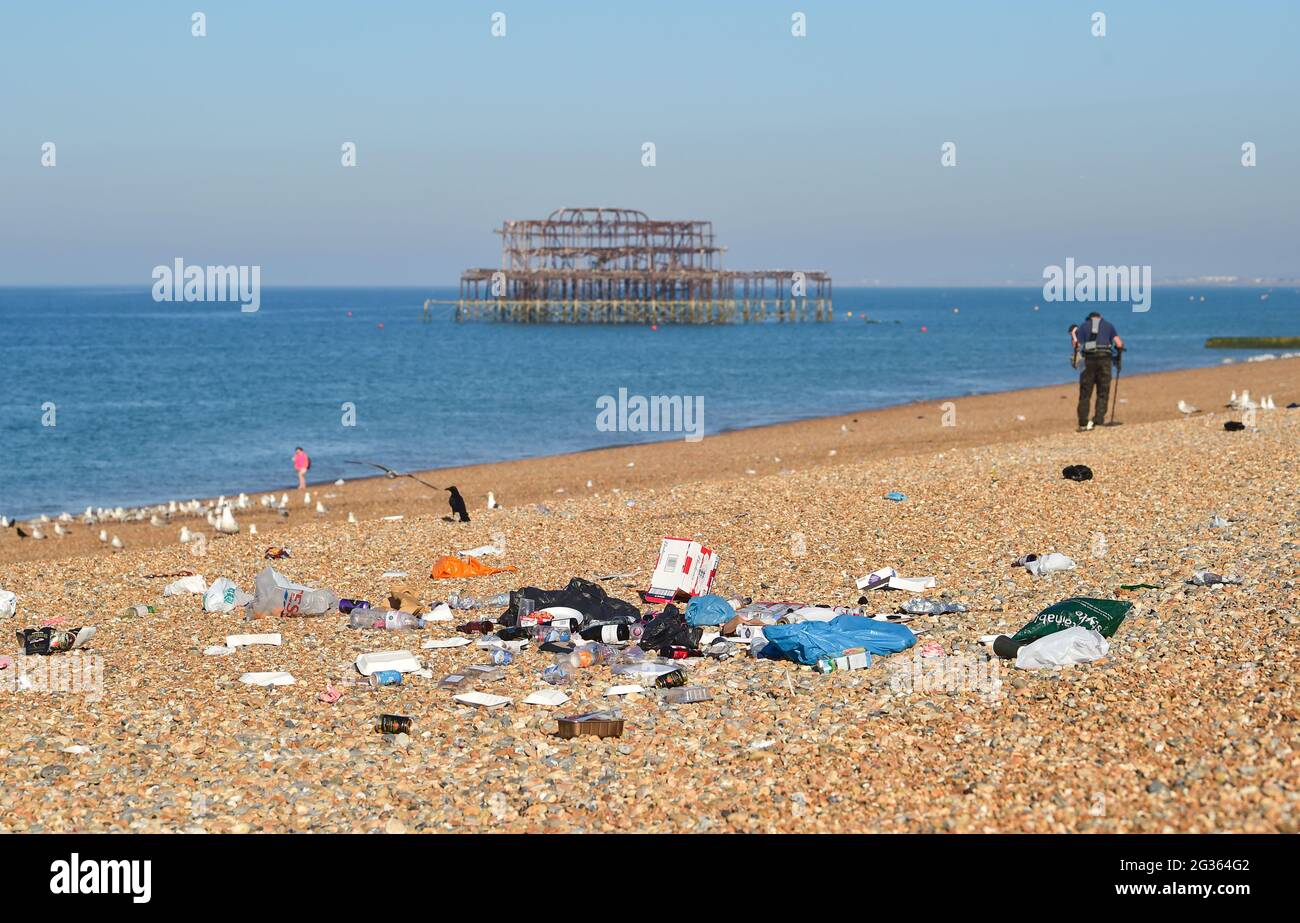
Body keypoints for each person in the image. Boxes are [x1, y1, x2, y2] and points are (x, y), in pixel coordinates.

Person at [1074, 312, 1124, 431]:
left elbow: (1077, 345)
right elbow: (1119, 343)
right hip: (1105, 360)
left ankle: (1083, 422)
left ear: (1089, 319)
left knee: (1085, 392)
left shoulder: (1084, 326)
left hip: (1088, 361)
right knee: (1103, 391)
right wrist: (1118, 354)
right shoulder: (1109, 325)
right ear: (1100, 317)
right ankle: (1098, 419)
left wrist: (1073, 334)